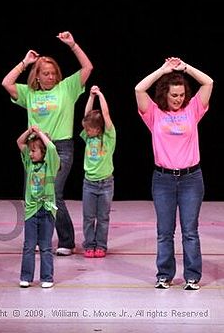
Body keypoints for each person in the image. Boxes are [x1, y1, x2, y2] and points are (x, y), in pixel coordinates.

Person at [2, 31, 93, 256]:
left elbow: (88, 68)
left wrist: (73, 45)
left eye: (53, 73)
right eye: (46, 73)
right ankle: (35, 238)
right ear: (38, 76)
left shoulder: (66, 88)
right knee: (32, 194)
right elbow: (6, 82)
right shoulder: (29, 93)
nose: (51, 77)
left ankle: (66, 241)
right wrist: (25, 62)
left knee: (53, 192)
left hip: (60, 147)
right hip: (34, 149)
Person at [135, 57, 213, 290]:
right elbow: (139, 88)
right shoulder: (154, 114)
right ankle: (164, 275)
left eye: (181, 95)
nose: (179, 99)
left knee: (190, 231)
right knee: (164, 232)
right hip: (163, 180)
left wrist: (185, 68)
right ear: (164, 95)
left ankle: (191, 276)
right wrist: (163, 70)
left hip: (191, 179)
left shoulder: (193, 110)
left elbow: (208, 83)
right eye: (174, 95)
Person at [17, 126, 60, 288]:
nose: (30, 153)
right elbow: (19, 142)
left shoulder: (51, 165)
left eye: (34, 150)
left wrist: (41, 134)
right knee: (28, 246)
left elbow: (52, 148)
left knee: (46, 246)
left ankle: (47, 278)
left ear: (43, 151)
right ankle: (26, 277)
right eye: (30, 151)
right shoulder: (29, 163)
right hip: (31, 211)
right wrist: (29, 132)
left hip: (47, 210)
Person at [80, 85, 116, 258]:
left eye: (89, 128)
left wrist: (101, 95)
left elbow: (106, 115)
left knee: (103, 218)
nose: (86, 131)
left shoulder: (109, 137)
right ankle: (89, 245)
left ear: (98, 128)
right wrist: (91, 96)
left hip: (106, 184)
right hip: (89, 183)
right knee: (88, 217)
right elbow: (86, 115)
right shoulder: (88, 137)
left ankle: (101, 245)